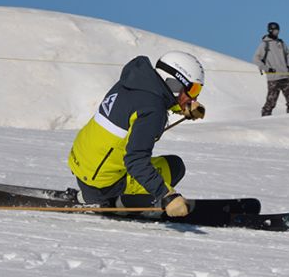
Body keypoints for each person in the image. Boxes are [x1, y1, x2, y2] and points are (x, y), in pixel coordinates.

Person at [67, 51, 206, 218]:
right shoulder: (153, 110)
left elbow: (155, 98)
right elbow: (136, 161)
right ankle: (120, 202)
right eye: (193, 89)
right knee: (175, 167)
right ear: (175, 83)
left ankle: (92, 194)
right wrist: (167, 196)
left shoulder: (133, 83)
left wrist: (182, 108)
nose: (195, 96)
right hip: (102, 185)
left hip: (82, 164)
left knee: (160, 165)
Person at [252, 21, 289, 116]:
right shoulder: (264, 44)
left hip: (285, 76)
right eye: (275, 31)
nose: (277, 33)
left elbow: (288, 54)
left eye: (278, 31)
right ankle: (265, 119)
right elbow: (256, 58)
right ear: (270, 31)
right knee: (271, 102)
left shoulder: (281, 43)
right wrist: (266, 68)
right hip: (274, 78)